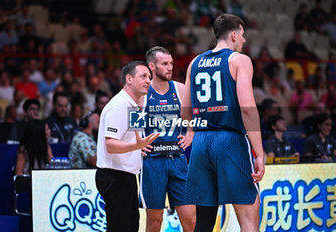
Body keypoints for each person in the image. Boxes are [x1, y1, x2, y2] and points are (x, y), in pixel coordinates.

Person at [182, 14, 265, 232]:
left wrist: (191, 131)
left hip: (201, 143)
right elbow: (247, 110)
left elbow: (186, 107)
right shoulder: (239, 60)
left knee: (204, 221)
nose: (244, 41)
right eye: (243, 35)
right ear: (235, 34)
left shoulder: (194, 62)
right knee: (249, 217)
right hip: (229, 140)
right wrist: (260, 153)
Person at [95, 61, 159, 232]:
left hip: (128, 175)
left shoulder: (139, 101)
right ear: (129, 79)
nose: (148, 81)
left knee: (131, 227)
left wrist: (139, 147)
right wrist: (136, 145)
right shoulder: (118, 106)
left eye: (149, 77)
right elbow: (110, 144)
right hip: (113, 175)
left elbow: (132, 135)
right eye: (143, 76)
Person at [141, 46, 195, 232]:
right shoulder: (143, 93)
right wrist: (136, 144)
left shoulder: (180, 89)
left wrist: (190, 132)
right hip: (153, 162)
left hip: (178, 160)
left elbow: (196, 112)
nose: (170, 67)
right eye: (165, 64)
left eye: (171, 63)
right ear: (152, 67)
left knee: (191, 219)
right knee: (155, 220)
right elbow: (133, 125)